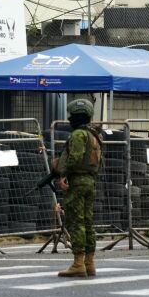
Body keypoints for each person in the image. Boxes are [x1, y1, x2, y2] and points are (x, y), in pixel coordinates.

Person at [55, 99, 103, 278]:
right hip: (90, 181)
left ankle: (78, 263)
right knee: (88, 222)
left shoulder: (78, 135)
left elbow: (74, 158)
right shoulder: (96, 135)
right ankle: (90, 263)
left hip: (77, 181)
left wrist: (63, 173)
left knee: (76, 222)